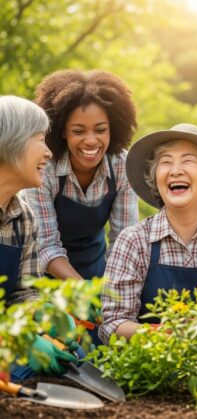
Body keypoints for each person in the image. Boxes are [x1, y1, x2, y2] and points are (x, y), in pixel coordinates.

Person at [99, 123, 197, 342]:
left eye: (188, 161)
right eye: (165, 162)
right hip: (151, 369)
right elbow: (113, 325)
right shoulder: (133, 241)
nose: (175, 170)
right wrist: (170, 335)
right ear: (155, 178)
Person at [25, 70, 139, 281]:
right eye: (78, 131)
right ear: (62, 131)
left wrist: (112, 289)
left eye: (100, 130)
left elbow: (124, 241)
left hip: (96, 270)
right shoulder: (43, 168)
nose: (91, 140)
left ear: (112, 129)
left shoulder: (122, 166)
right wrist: (83, 292)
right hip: (43, 279)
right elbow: (45, 247)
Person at [0, 96, 78, 380]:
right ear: (12, 139)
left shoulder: (24, 216)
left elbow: (23, 294)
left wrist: (45, 314)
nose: (48, 153)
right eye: (40, 140)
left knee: (73, 357)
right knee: (32, 369)